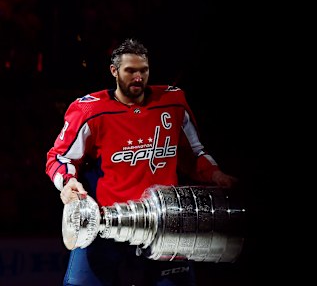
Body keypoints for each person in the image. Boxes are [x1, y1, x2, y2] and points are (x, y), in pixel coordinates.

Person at [45, 38, 238, 286]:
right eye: (130, 71)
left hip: (167, 223)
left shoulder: (173, 102)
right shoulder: (90, 111)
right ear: (114, 71)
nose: (138, 77)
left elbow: (195, 155)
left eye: (143, 70)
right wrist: (68, 183)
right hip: (105, 224)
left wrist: (216, 175)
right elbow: (59, 157)